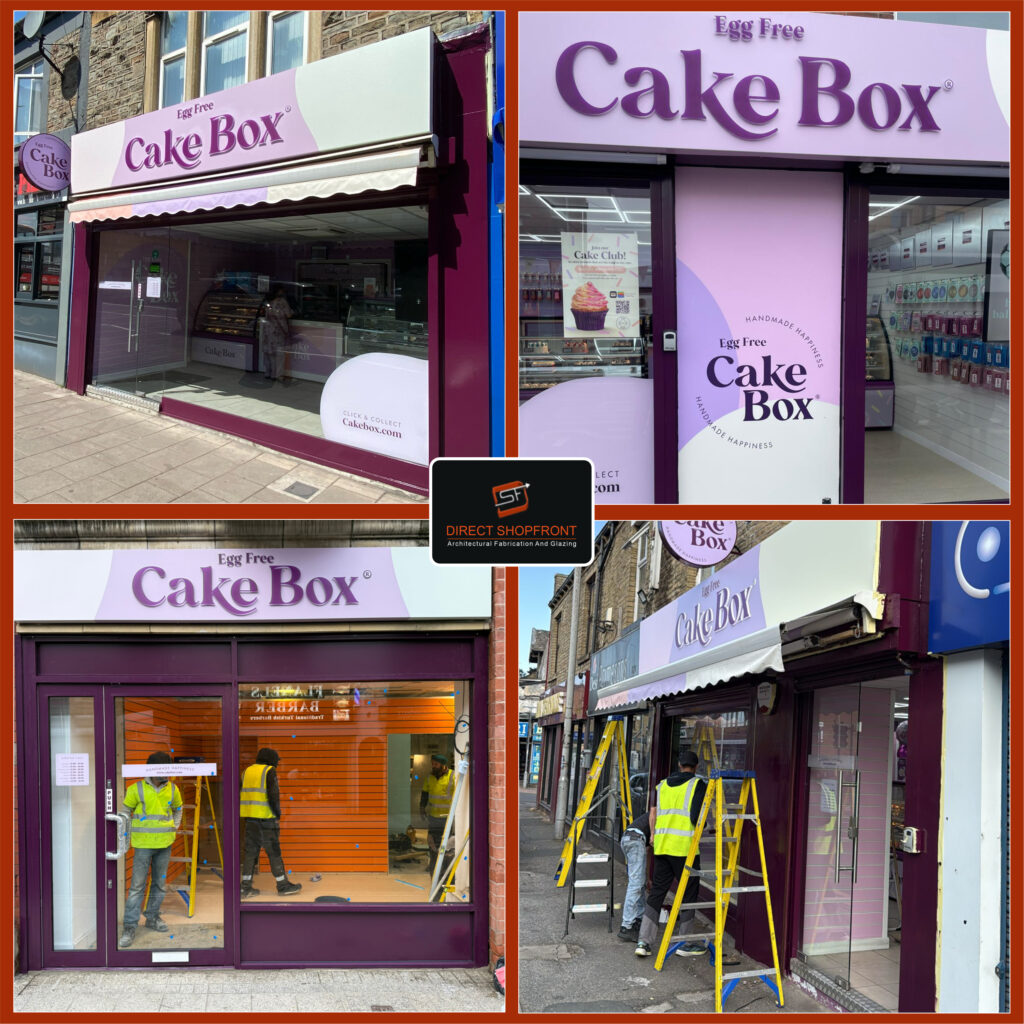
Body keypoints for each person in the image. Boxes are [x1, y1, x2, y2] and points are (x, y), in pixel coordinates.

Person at [635, 749, 708, 958]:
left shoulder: (663, 785)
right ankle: (685, 943)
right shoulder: (697, 785)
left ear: (679, 765)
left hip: (662, 846)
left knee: (657, 892)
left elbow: (656, 813)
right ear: (695, 767)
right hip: (685, 849)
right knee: (689, 894)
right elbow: (696, 817)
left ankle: (643, 942)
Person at [119, 751, 184, 947]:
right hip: (143, 845)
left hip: (164, 844)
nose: (165, 774)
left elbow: (178, 809)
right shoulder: (136, 789)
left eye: (168, 770)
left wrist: (174, 827)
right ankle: (130, 926)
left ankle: (152, 917)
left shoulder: (173, 789)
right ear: (151, 770)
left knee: (159, 884)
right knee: (137, 887)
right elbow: (124, 813)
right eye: (162, 770)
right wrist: (125, 838)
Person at [240, 747, 302, 897]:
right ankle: (283, 885)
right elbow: (273, 795)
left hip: (250, 819)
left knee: (250, 853)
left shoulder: (246, 771)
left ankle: (245, 888)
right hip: (266, 819)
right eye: (276, 761)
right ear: (270, 759)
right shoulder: (269, 771)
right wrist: (278, 814)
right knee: (274, 852)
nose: (277, 764)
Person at [617, 809, 651, 943]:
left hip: (627, 838)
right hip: (636, 839)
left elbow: (648, 850)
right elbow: (651, 848)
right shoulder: (662, 815)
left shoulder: (649, 818)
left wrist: (647, 878)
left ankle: (639, 918)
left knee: (639, 882)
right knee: (636, 885)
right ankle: (626, 926)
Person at [420, 753, 455, 875]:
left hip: (448, 818)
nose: (433, 766)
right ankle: (433, 865)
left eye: (436, 764)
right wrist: (422, 807)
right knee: (432, 843)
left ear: (442, 765)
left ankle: (445, 868)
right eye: (432, 764)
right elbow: (425, 793)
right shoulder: (430, 777)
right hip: (434, 817)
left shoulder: (452, 776)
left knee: (448, 843)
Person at [263, 287, 294, 383]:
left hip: (268, 330)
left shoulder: (268, 302)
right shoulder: (282, 302)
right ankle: (277, 375)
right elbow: (288, 315)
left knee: (268, 352)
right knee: (279, 353)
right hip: (278, 330)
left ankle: (268, 373)